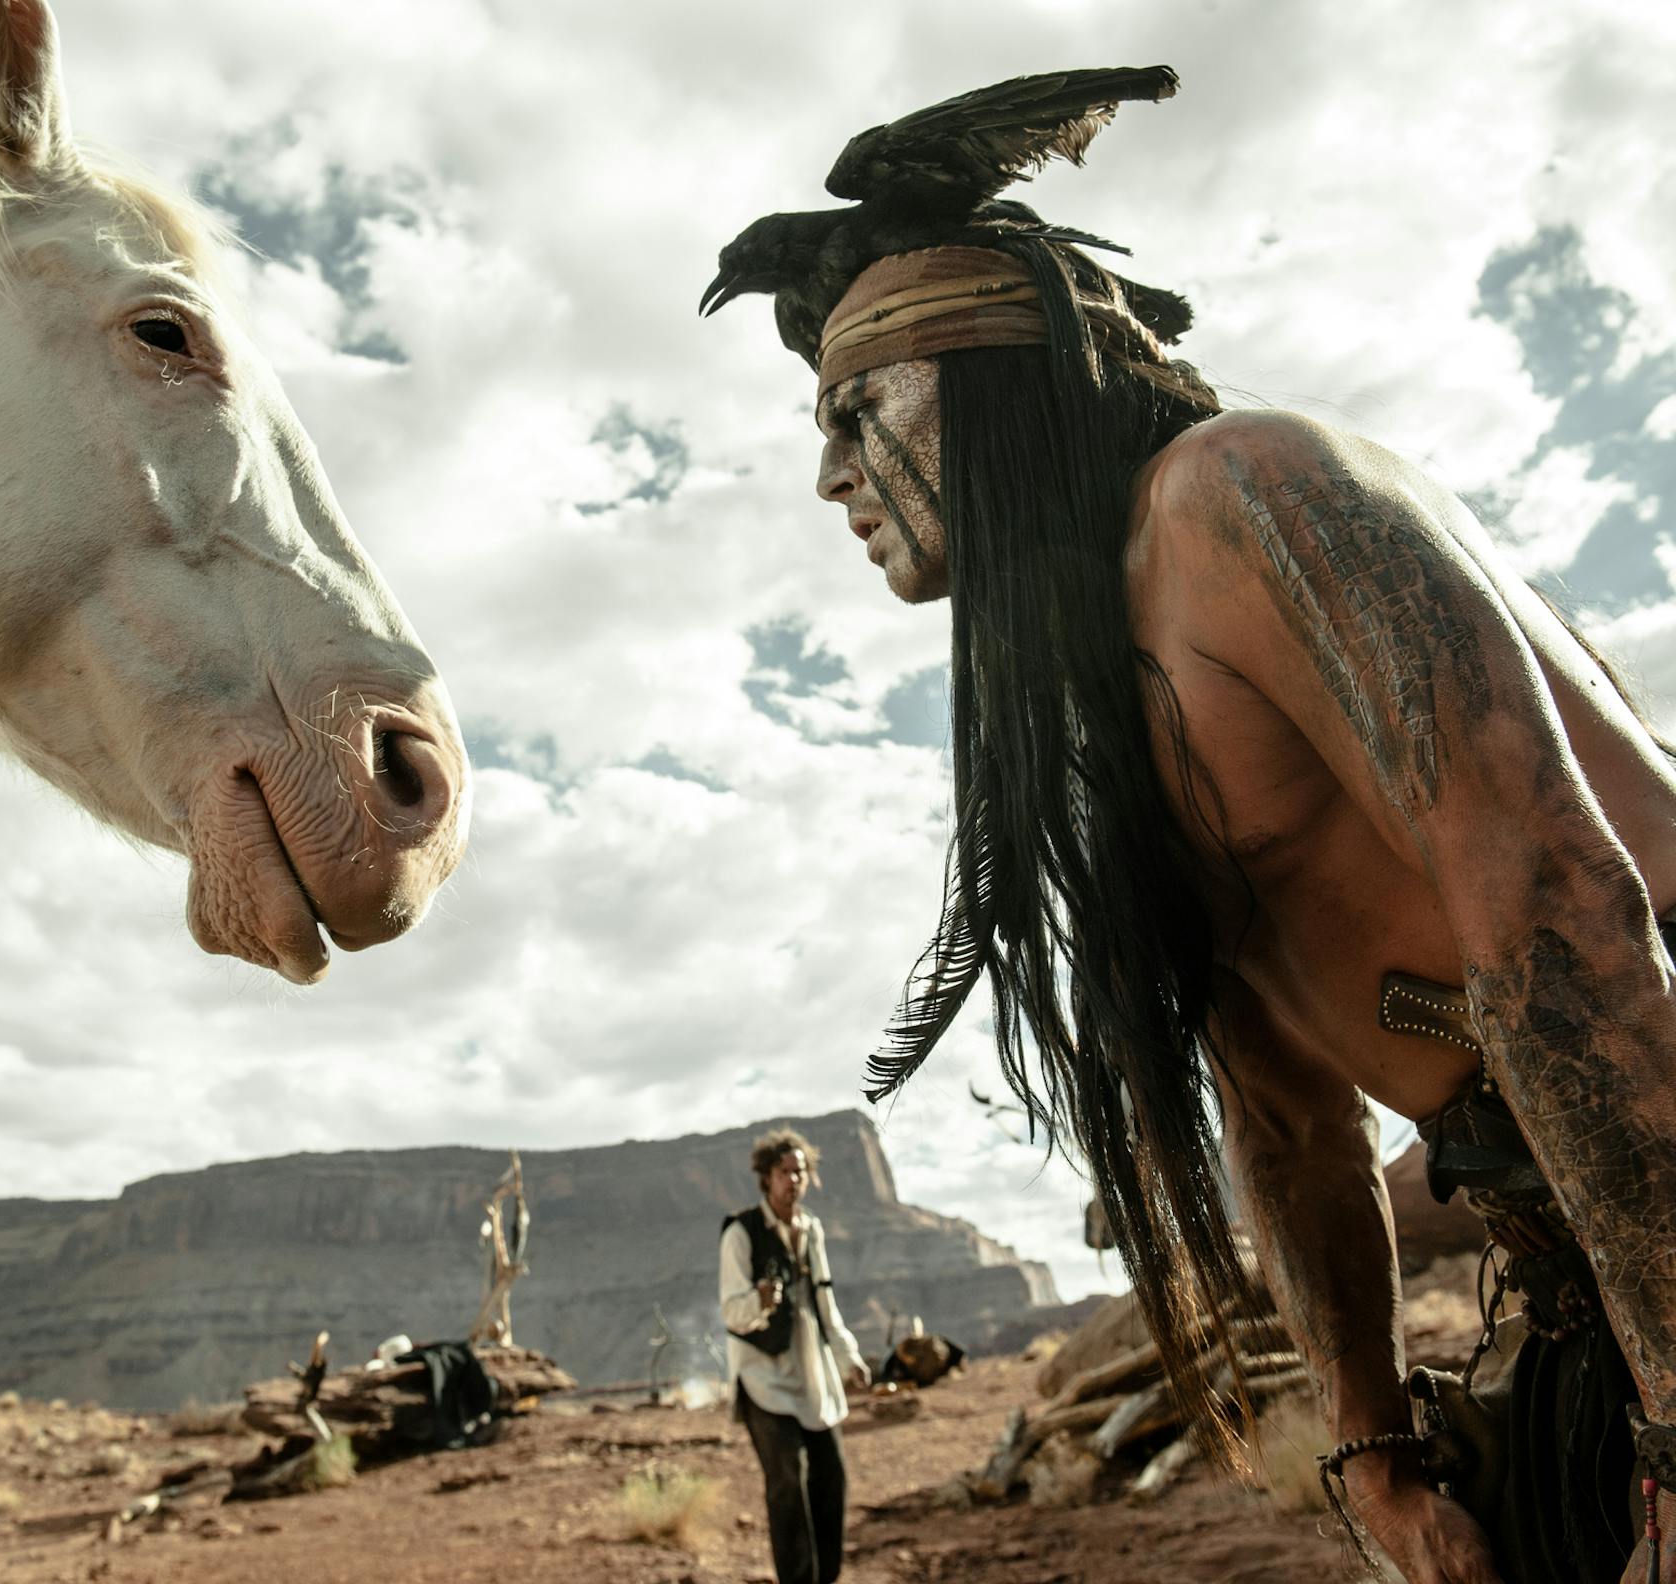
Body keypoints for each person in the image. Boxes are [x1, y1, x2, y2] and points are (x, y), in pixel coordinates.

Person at [702, 67, 1676, 1584]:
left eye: (855, 410)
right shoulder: (1103, 723)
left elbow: (1566, 905)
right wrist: (1375, 1458)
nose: (829, 475)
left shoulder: (1239, 497)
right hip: (1582, 1290)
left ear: (990, 372)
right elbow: (1289, 1127)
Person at [720, 1128, 872, 1584]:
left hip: (812, 1375)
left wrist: (848, 1358)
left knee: (831, 1478)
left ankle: (827, 1577)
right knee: (787, 1481)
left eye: (799, 1172)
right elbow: (731, 1311)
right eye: (784, 1172)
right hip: (764, 1378)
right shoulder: (742, 1232)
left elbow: (825, 1302)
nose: (793, 1180)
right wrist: (760, 1301)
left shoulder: (811, 1230)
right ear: (766, 1177)